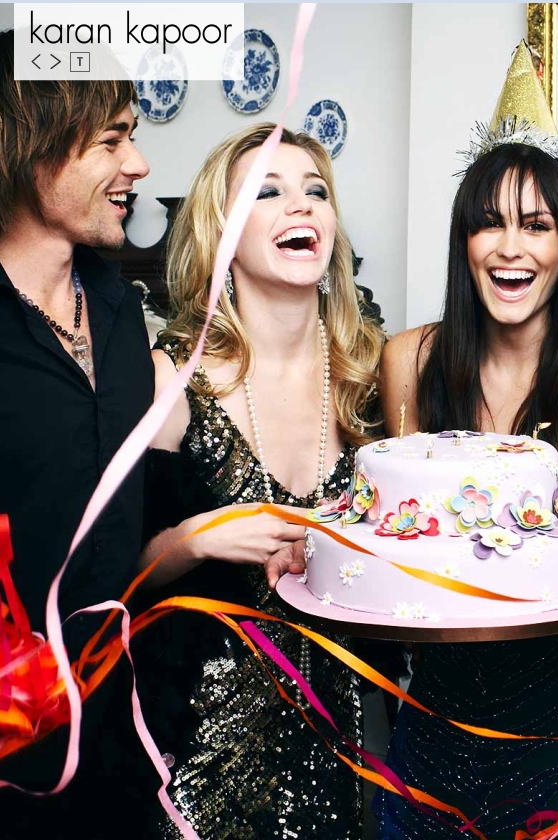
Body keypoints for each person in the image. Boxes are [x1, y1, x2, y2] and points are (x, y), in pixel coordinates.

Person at [373, 46, 558, 839]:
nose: (511, 248)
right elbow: (386, 541)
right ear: (463, 242)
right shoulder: (408, 362)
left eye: (536, 226)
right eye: (490, 224)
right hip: (441, 716)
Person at [138, 123, 385, 838]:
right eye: (266, 192)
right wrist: (199, 537)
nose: (300, 205)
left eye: (316, 191)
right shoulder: (172, 379)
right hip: (197, 761)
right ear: (221, 231)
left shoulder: (371, 376)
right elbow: (116, 576)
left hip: (340, 755)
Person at [0, 28, 158, 839]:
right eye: (112, 140)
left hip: (124, 753)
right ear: (32, 146)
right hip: (1, 774)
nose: (138, 165)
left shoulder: (122, 316)